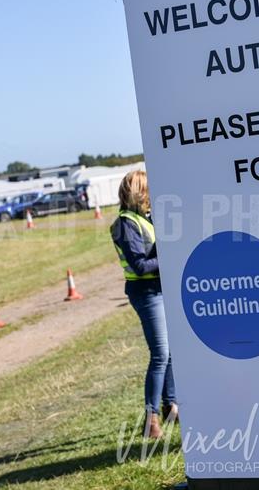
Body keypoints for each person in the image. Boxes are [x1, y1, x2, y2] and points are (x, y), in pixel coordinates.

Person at [110, 170, 177, 438]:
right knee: (160, 354)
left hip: (159, 289)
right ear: (140, 192)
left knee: (170, 353)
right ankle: (151, 420)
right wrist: (171, 258)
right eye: (149, 190)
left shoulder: (143, 219)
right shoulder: (125, 224)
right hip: (146, 292)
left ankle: (171, 405)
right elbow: (139, 265)